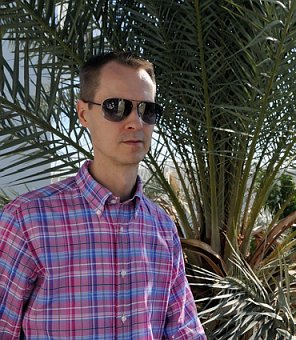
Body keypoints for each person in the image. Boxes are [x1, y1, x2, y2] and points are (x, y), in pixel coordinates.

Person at [0, 51, 206, 339]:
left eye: (147, 110)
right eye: (116, 107)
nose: (135, 121)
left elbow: (184, 331)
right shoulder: (27, 220)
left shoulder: (162, 229)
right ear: (84, 113)